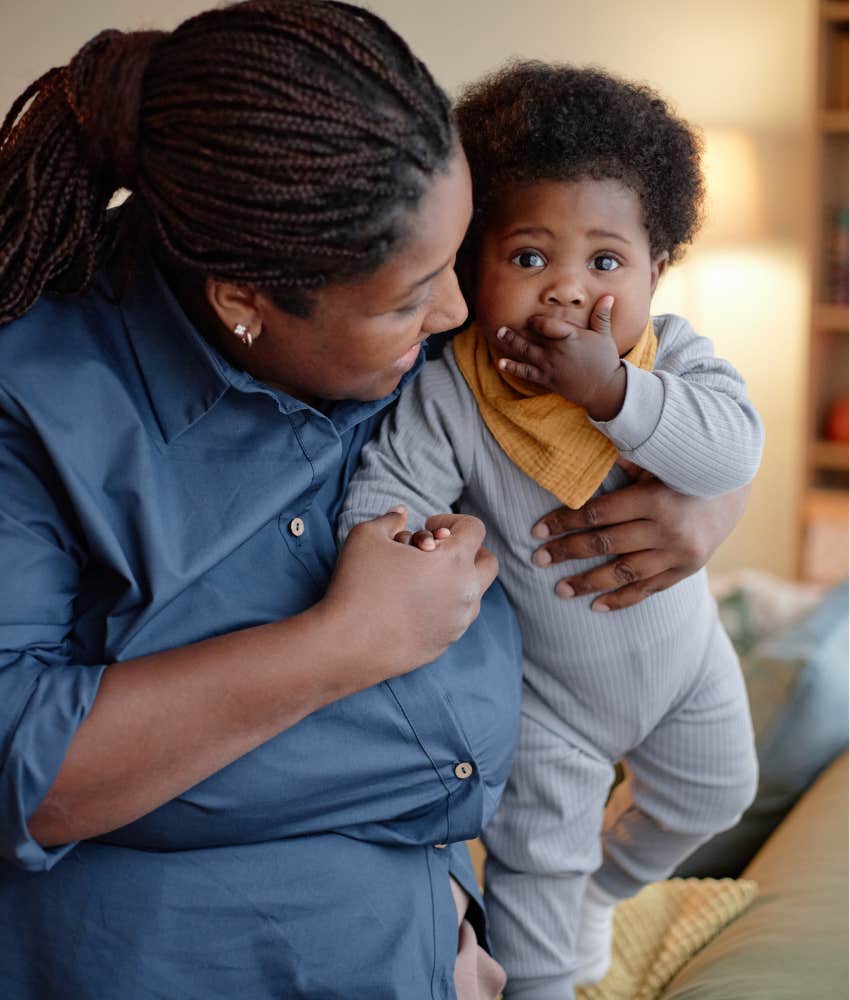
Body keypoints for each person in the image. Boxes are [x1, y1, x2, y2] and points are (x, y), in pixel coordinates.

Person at [0, 4, 750, 996]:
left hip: (458, 921)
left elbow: (669, 385)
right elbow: (23, 765)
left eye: (458, 258)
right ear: (245, 300)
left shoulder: (412, 289)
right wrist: (345, 641)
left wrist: (707, 498)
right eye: (410, 298)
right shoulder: (37, 408)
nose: (455, 315)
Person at [339, 62, 763, 999]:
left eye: (606, 262)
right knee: (536, 876)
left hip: (687, 657)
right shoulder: (455, 389)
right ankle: (545, 969)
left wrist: (612, 392)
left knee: (715, 795)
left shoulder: (672, 359)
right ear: (473, 265)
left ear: (659, 268)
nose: (569, 292)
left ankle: (602, 893)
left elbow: (732, 452)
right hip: (550, 702)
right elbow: (386, 490)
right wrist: (406, 545)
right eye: (529, 259)